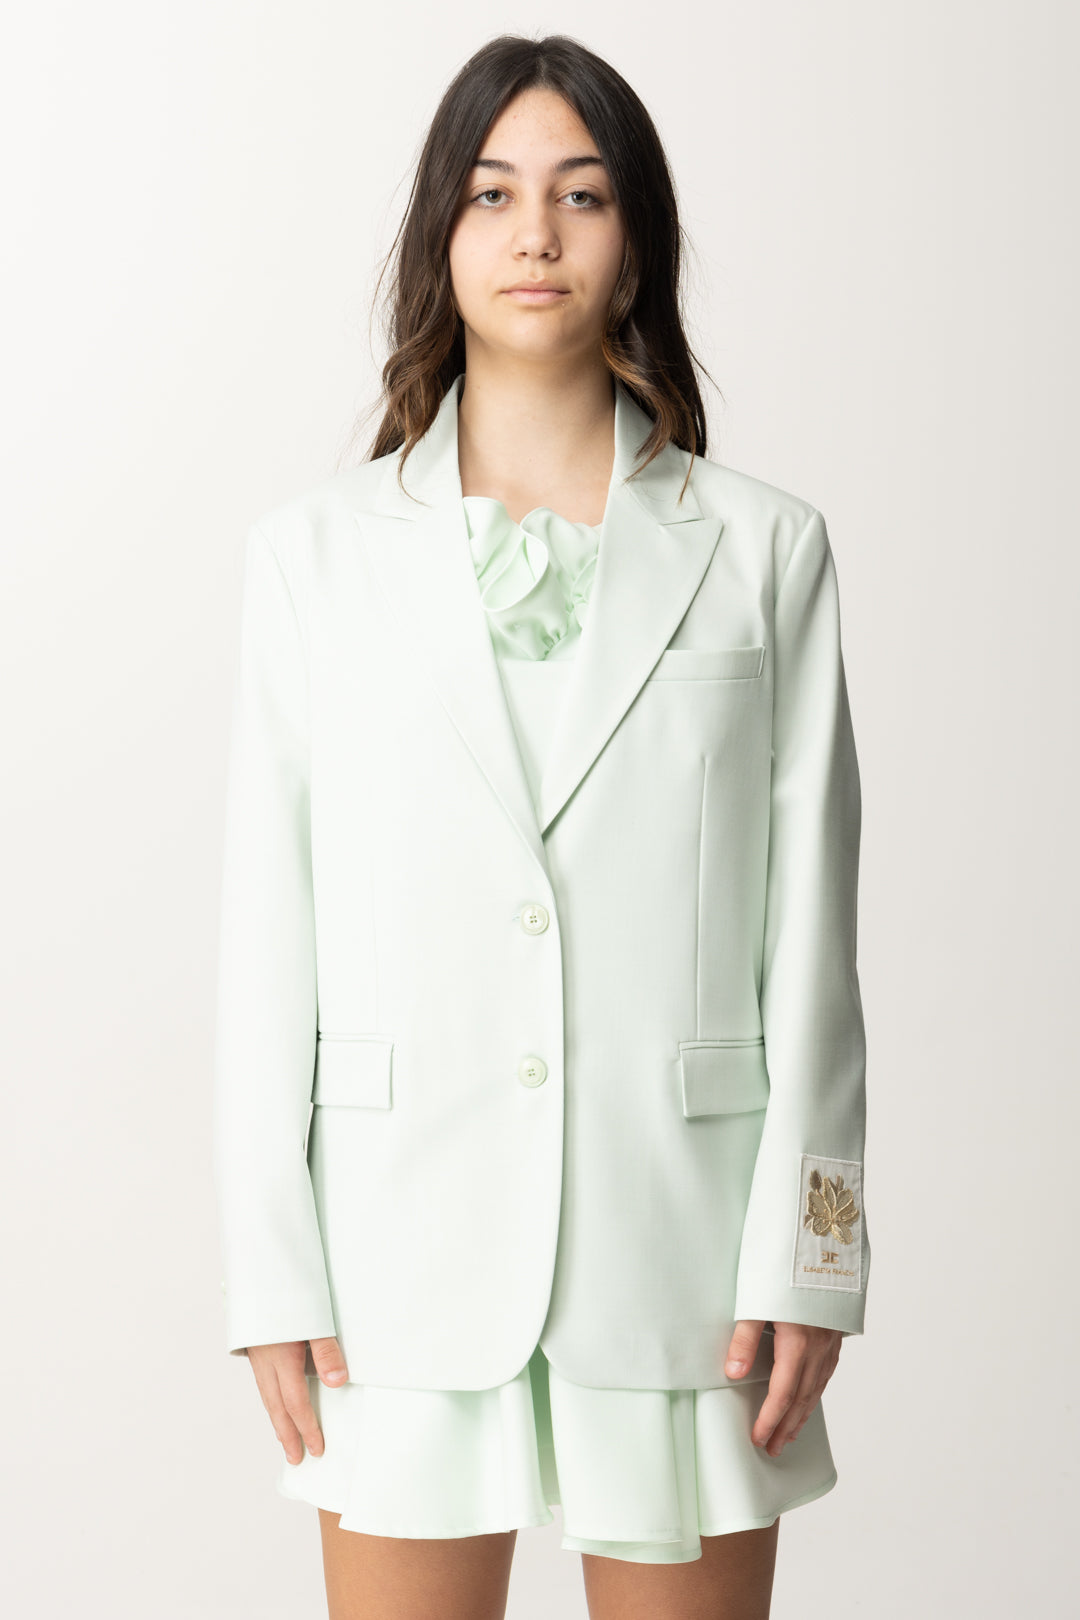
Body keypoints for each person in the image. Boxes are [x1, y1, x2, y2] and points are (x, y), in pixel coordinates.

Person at [212, 32, 870, 1620]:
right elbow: (267, 937)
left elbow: (814, 946)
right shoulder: (313, 560)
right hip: (395, 1251)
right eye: (494, 194)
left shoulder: (766, 553)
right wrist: (268, 1269)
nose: (535, 234)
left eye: (581, 195)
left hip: (686, 1249)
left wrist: (814, 1257)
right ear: (441, 233)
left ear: (633, 235)